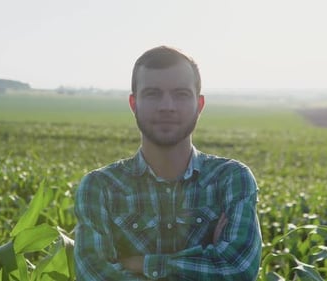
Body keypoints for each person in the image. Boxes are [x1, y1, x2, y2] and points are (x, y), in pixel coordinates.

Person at [74, 46, 262, 280]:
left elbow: (238, 270)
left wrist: (141, 264)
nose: (167, 106)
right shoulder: (101, 187)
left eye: (181, 94)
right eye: (153, 94)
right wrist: (207, 262)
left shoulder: (231, 179)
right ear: (134, 104)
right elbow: (93, 275)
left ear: (199, 105)